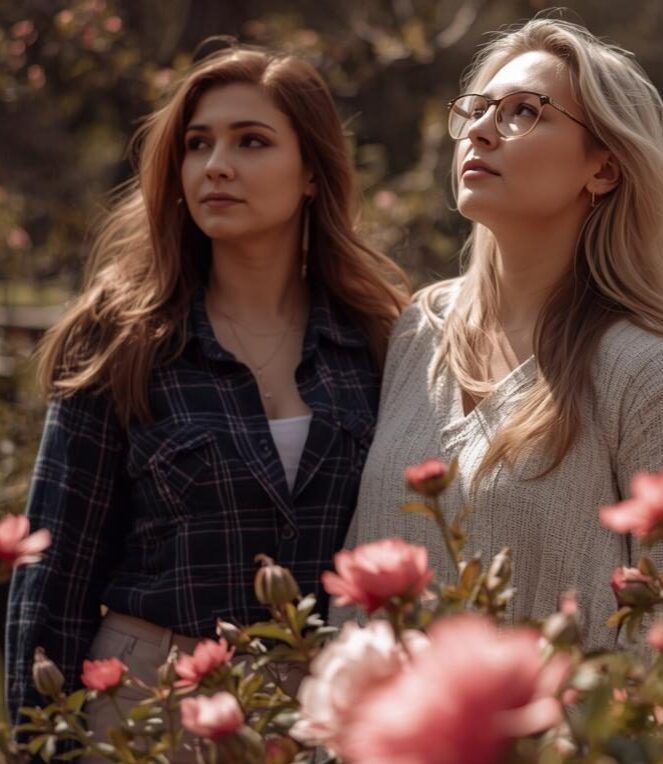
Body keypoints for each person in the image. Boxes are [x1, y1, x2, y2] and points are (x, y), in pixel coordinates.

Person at [5, 42, 409, 744]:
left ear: (312, 173)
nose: (216, 165)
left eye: (251, 142)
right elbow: (56, 573)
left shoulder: (376, 338)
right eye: (197, 144)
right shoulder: (121, 336)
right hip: (146, 705)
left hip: (320, 714)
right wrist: (36, 739)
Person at [333, 18, 663, 647]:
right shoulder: (420, 329)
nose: (482, 131)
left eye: (524, 112)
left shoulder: (651, 372)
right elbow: (359, 574)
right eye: (478, 109)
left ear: (603, 169)